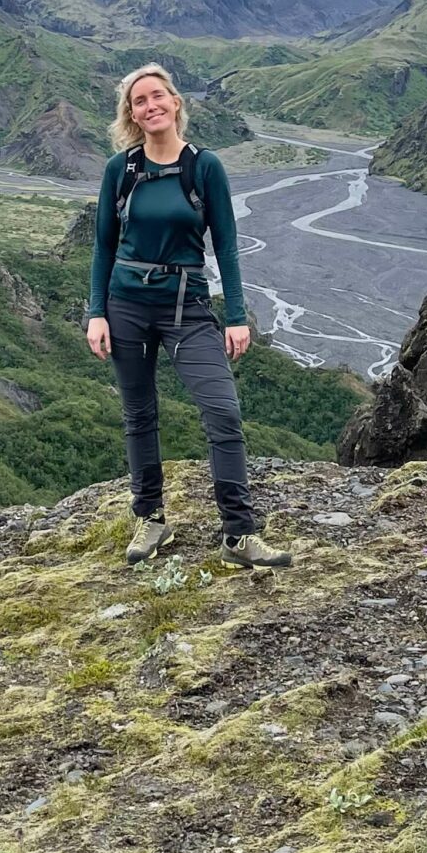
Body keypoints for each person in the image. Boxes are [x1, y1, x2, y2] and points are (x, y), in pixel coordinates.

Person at [86, 63, 292, 568]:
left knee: (222, 410)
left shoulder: (204, 167)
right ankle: (151, 518)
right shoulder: (122, 169)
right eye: (140, 101)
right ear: (131, 114)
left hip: (188, 308)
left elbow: (226, 245)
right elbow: (103, 247)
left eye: (158, 96)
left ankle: (239, 534)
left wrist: (238, 315)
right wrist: (97, 312)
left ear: (176, 103)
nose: (150, 105)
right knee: (139, 414)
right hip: (126, 305)